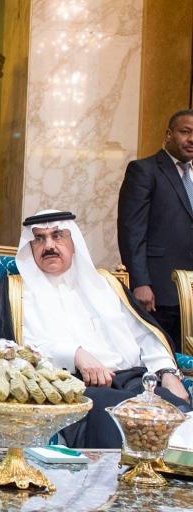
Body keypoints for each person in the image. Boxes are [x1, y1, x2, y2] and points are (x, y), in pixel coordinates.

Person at [0, 209, 189, 450]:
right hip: (74, 387)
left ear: (73, 241)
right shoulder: (17, 291)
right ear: (30, 247)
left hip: (132, 380)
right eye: (39, 239)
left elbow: (146, 336)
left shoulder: (106, 284)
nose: (49, 245)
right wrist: (75, 354)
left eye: (57, 235)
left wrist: (167, 373)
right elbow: (14, 349)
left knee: (172, 409)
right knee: (110, 418)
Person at [117, 109, 193, 350]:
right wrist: (140, 282)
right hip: (160, 290)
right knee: (164, 356)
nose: (191, 139)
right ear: (169, 134)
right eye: (186, 132)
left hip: (191, 290)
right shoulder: (144, 170)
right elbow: (131, 230)